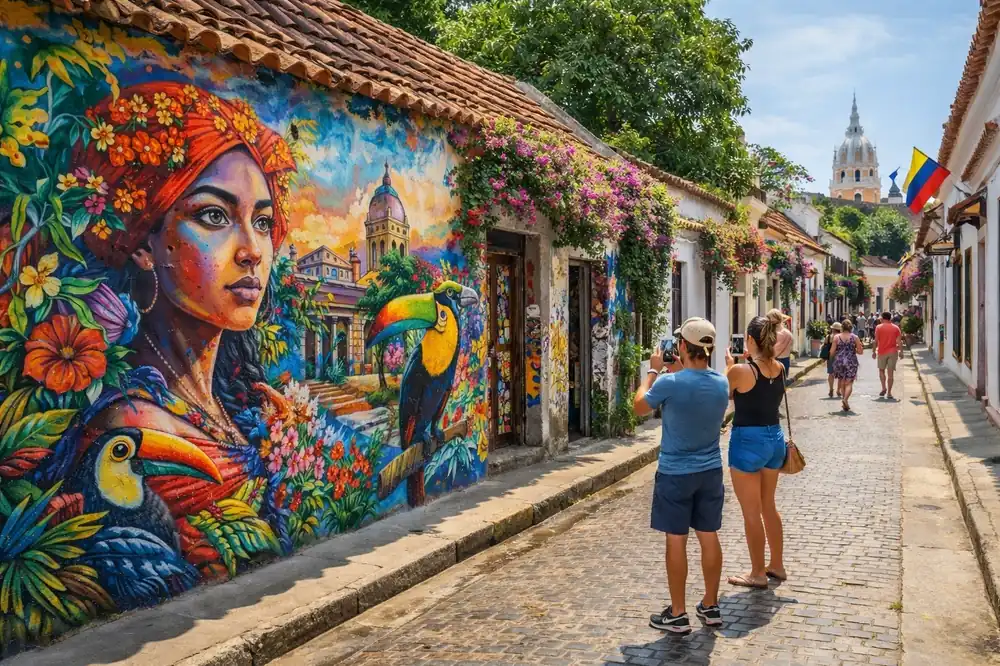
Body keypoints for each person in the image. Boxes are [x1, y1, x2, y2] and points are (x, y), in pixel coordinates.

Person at [82, 83, 298, 548]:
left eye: (262, 223)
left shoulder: (232, 399)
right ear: (144, 242)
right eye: (214, 217)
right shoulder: (133, 429)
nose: (251, 252)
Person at [634, 318, 730, 634]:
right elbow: (694, 386)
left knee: (676, 540)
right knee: (708, 534)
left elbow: (638, 407)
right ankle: (711, 605)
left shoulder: (668, 384)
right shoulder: (720, 383)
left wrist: (651, 371)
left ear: (683, 347)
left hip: (676, 472)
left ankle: (677, 613)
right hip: (710, 471)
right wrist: (678, 372)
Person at [724, 310, 788, 589]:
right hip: (775, 439)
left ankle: (757, 573)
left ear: (749, 339)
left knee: (751, 512)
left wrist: (730, 365)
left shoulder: (739, 371)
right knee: (769, 506)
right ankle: (777, 564)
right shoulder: (780, 368)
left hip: (747, 442)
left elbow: (722, 395)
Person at [831, 319, 863, 411]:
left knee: (841, 381)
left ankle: (844, 400)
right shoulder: (855, 337)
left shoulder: (837, 337)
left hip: (839, 361)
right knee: (849, 382)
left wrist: (832, 359)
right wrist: (855, 350)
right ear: (851, 327)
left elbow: (832, 351)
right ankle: (845, 399)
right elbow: (860, 352)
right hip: (851, 361)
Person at [873, 311, 903, 399]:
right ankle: (889, 393)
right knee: (891, 374)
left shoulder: (878, 327)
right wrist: (901, 352)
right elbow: (899, 341)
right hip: (893, 352)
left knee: (881, 370)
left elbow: (876, 341)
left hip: (882, 352)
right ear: (890, 318)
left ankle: (883, 388)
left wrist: (874, 351)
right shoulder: (896, 328)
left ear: (882, 318)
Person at [769, 309, 794, 376]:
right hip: (785, 361)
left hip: (775, 361)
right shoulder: (788, 333)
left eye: (769, 319)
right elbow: (791, 348)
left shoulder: (778, 334)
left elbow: (773, 351)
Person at [825, 322, 843, 398]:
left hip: (831, 356)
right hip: (840, 356)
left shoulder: (828, 337)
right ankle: (838, 390)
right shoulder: (841, 337)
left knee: (831, 373)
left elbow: (824, 345)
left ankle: (831, 389)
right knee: (840, 375)